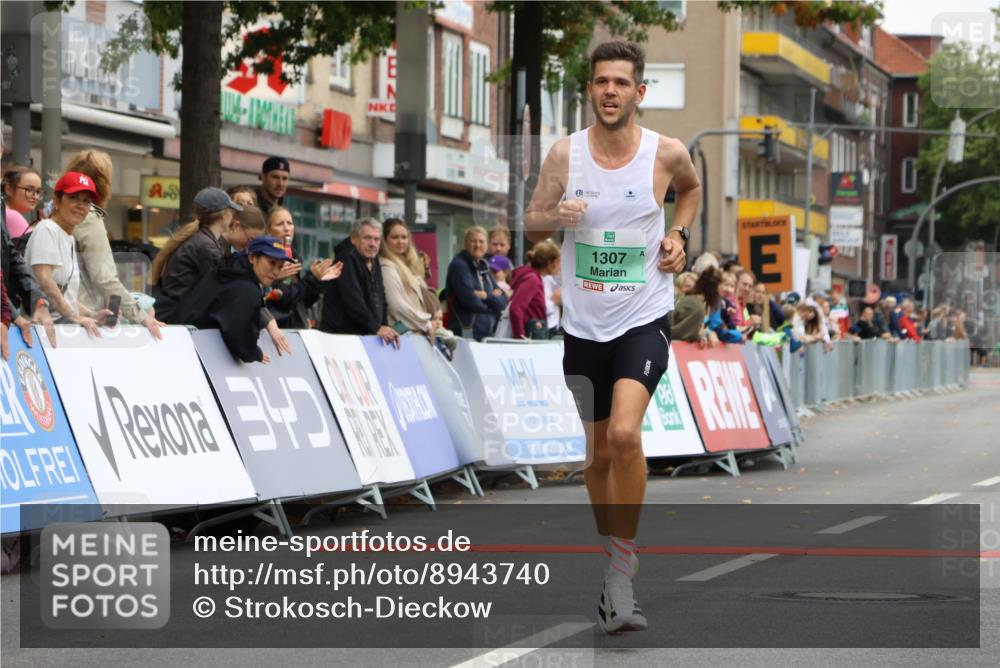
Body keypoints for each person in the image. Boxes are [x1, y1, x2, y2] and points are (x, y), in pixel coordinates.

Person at [524, 40, 700, 634]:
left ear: (639, 93)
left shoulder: (666, 153)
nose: (610, 91)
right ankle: (613, 560)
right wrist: (556, 218)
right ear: (591, 90)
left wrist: (678, 235)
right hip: (582, 326)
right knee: (597, 456)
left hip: (643, 317)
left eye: (621, 83)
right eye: (601, 82)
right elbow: (529, 220)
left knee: (625, 434)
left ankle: (621, 570)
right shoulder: (565, 154)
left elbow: (693, 190)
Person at [65, 149, 163, 339]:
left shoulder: (56, 212)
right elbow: (104, 279)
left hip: (60, 316)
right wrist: (140, 316)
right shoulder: (88, 216)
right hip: (83, 324)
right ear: (104, 184)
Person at [175, 236, 293, 363]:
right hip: (194, 355)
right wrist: (255, 354)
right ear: (252, 257)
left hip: (180, 341)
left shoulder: (227, 268)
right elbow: (241, 341)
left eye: (280, 266)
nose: (275, 271)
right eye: (271, 263)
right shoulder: (246, 288)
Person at [24, 172, 112, 337]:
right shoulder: (47, 229)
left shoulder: (68, 237)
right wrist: (74, 317)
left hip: (58, 330)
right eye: (73, 198)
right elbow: (44, 280)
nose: (80, 206)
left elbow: (65, 295)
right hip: (39, 332)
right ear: (57, 201)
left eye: (86, 201)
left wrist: (91, 315)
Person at [152, 187, 243, 322]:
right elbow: (220, 289)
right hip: (179, 317)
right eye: (231, 211)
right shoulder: (206, 246)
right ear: (223, 216)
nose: (232, 216)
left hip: (176, 314)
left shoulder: (201, 239)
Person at [379, 218, 456, 351]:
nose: (400, 242)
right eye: (395, 237)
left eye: (404, 237)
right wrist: (426, 324)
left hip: (411, 336)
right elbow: (398, 307)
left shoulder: (404, 266)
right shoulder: (386, 266)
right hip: (400, 339)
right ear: (385, 240)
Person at [320, 218, 399, 346]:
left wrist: (384, 326)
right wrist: (377, 328)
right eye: (367, 238)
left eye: (376, 239)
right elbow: (353, 302)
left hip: (364, 337)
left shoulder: (373, 259)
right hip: (341, 339)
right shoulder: (347, 258)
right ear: (354, 239)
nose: (372, 243)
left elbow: (381, 298)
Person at [262, 206, 341, 329]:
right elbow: (285, 298)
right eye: (280, 224)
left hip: (296, 329)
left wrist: (318, 281)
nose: (287, 228)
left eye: (290, 223)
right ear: (268, 230)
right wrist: (311, 278)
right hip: (277, 330)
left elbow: (302, 301)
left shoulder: (295, 256)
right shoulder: (265, 258)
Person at [445, 226, 508, 341]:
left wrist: (486, 296)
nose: (477, 245)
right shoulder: (459, 266)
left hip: (486, 335)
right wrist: (493, 305)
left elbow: (503, 301)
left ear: (487, 245)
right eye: (473, 241)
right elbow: (470, 301)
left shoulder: (484, 266)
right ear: (465, 244)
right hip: (467, 334)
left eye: (481, 241)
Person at [507, 240, 561, 339]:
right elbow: (516, 309)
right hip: (528, 336)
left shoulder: (534, 278)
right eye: (558, 261)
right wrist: (520, 336)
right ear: (549, 263)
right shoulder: (532, 279)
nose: (559, 266)